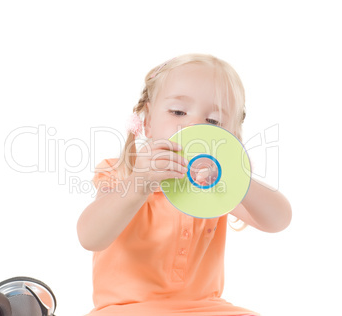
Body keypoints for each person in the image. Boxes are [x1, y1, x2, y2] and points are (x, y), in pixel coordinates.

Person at [77, 53, 292, 316]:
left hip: (205, 308)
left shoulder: (215, 185)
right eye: (178, 111)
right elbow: (90, 237)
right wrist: (138, 185)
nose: (193, 124)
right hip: (127, 309)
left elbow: (278, 220)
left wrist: (240, 179)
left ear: (232, 136)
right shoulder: (121, 172)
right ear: (147, 121)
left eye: (213, 121)